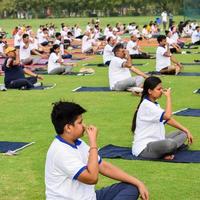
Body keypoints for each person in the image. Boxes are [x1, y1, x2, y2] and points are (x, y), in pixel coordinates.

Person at [45, 101, 149, 200]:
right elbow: (92, 178)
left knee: (132, 188)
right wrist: (93, 143)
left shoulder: (78, 142)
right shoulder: (61, 151)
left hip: (90, 197)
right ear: (68, 128)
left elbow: (103, 166)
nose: (84, 126)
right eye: (80, 122)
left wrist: (138, 182)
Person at [131, 76, 193, 160]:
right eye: (159, 89)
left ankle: (166, 152)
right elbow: (168, 116)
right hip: (145, 148)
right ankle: (166, 152)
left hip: (157, 141)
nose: (161, 91)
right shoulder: (147, 105)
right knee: (170, 144)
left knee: (182, 133)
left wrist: (186, 130)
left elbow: (168, 120)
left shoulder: (154, 104)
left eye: (161, 89)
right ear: (150, 91)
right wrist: (168, 97)